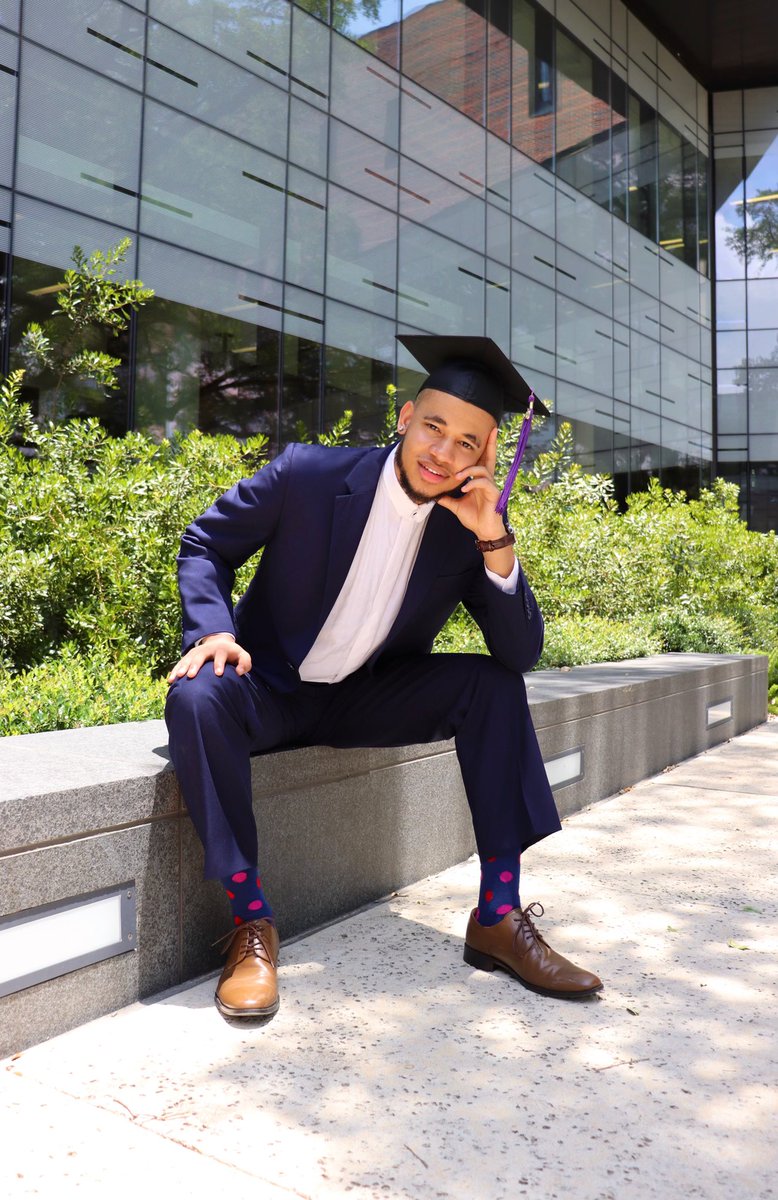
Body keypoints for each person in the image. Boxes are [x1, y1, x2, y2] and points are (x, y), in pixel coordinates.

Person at [165, 335, 602, 1018]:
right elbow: (205, 544)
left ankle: (497, 915)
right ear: (404, 418)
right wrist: (214, 631)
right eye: (434, 427)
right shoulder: (306, 475)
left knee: (492, 685)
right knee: (196, 694)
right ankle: (251, 924)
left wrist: (495, 538)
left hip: (368, 696)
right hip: (270, 688)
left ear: (486, 454)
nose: (442, 453)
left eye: (466, 443)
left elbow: (519, 652)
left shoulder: (470, 527)